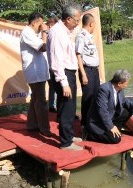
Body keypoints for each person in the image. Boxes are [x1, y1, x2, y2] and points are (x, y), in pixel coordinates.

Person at [47, 3, 83, 151]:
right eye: (76, 20)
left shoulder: (65, 31)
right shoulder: (57, 33)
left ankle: (68, 135)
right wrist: (64, 82)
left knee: (70, 107)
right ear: (68, 19)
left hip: (68, 73)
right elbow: (56, 60)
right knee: (65, 107)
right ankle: (65, 143)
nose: (77, 23)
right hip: (63, 74)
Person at [86, 69, 133, 144]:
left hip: (110, 117)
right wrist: (111, 126)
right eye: (126, 84)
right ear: (120, 83)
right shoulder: (104, 89)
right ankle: (91, 134)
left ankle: (115, 129)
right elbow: (102, 111)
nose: (127, 85)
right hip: (99, 122)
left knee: (128, 111)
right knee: (116, 139)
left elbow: (124, 101)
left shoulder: (119, 89)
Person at [20, 12, 51, 137]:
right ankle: (44, 128)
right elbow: (43, 47)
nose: (41, 26)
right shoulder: (26, 32)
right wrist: (45, 32)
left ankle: (32, 124)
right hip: (35, 72)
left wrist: (44, 31)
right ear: (34, 22)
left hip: (38, 71)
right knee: (41, 100)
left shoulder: (32, 33)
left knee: (35, 99)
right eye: (40, 23)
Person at [75, 13, 100, 139]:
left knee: (96, 97)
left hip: (94, 70)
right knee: (88, 98)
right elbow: (78, 55)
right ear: (91, 23)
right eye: (94, 23)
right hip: (87, 71)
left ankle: (93, 123)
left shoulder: (89, 36)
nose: (95, 26)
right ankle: (85, 126)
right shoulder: (81, 36)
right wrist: (83, 74)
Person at [46, 16, 59, 113]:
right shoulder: (48, 34)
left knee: (56, 87)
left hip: (54, 65)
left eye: (51, 25)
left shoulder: (56, 34)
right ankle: (52, 106)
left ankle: (53, 106)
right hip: (49, 65)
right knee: (54, 86)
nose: (49, 27)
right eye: (48, 25)